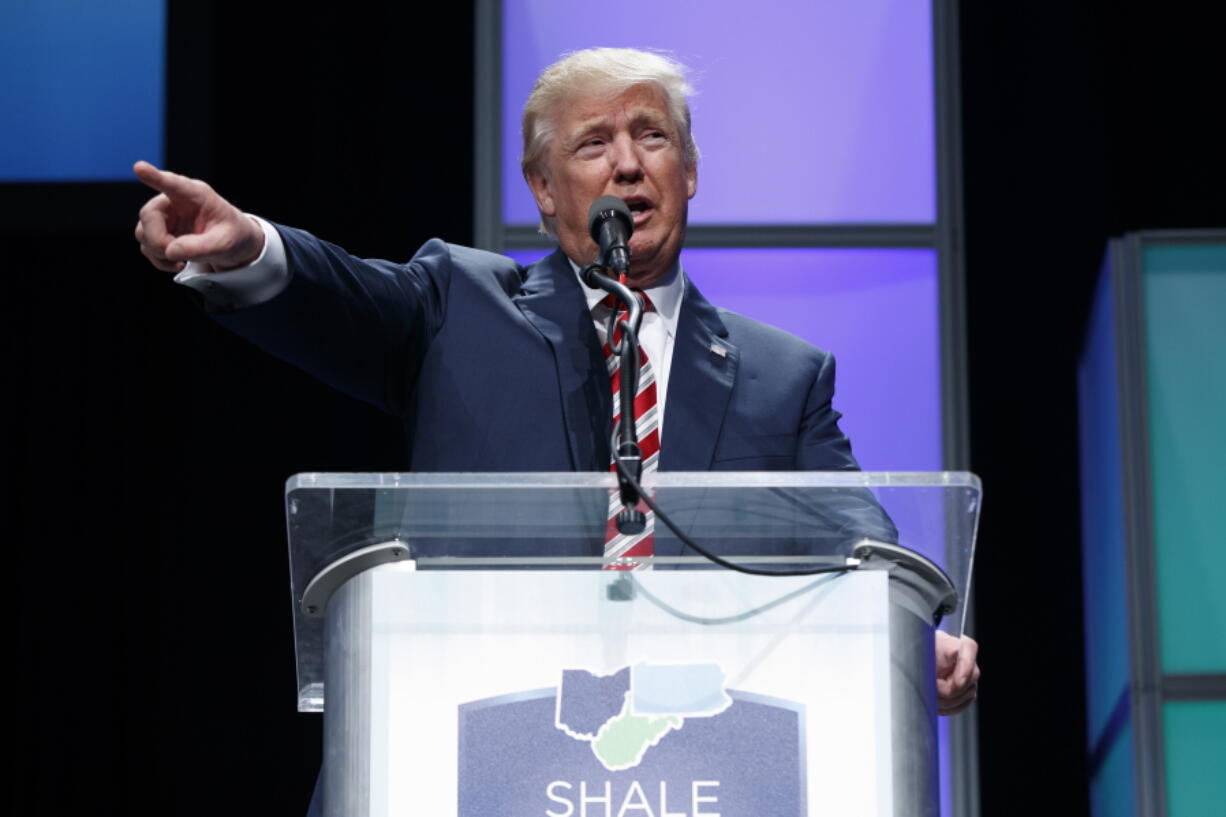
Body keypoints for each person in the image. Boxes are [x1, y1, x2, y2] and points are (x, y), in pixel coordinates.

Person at [133, 47, 978, 714]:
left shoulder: (783, 376)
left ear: (689, 171)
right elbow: (342, 294)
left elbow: (863, 543)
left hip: (699, 745)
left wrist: (914, 630)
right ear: (543, 189)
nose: (627, 166)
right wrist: (250, 247)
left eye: (652, 136)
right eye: (592, 144)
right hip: (463, 718)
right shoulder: (457, 305)